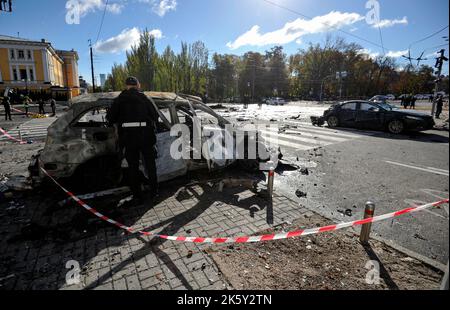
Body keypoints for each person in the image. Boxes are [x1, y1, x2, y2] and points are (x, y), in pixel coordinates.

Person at [107, 77, 159, 203]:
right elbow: (156, 116)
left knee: (133, 167)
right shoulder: (145, 98)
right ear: (137, 85)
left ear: (126, 86)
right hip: (146, 138)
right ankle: (153, 193)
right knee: (151, 166)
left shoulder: (119, 100)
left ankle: (137, 195)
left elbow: (110, 118)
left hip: (129, 139)